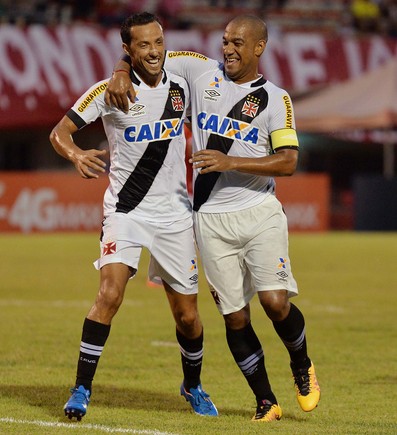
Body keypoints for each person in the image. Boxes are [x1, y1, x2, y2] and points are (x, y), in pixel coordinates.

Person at [106, 14, 321, 423]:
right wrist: (119, 69)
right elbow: (145, 52)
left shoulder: (277, 98)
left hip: (258, 212)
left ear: (259, 48)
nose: (228, 49)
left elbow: (289, 162)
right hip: (209, 219)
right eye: (225, 40)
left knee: (275, 304)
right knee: (235, 316)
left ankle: (301, 365)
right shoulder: (200, 71)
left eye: (239, 43)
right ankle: (266, 401)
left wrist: (230, 160)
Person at [49, 12, 218, 421]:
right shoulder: (109, 92)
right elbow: (59, 133)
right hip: (126, 211)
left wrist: (122, 66)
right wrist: (75, 154)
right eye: (143, 45)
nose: (154, 51)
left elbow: (223, 71)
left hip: (175, 214)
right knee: (109, 295)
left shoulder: (183, 78)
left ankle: (192, 385)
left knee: (189, 317)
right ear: (128, 49)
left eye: (158, 42)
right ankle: (81, 389)